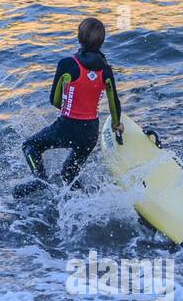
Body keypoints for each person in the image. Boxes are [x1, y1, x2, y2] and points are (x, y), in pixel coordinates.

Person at [14, 18, 123, 195]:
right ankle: (86, 202)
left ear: (79, 38)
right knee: (69, 173)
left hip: (67, 126)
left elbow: (54, 100)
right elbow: (114, 103)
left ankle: (40, 180)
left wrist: (70, 109)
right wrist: (116, 124)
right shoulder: (106, 70)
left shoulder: (67, 65)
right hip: (90, 134)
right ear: (101, 42)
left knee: (30, 146)